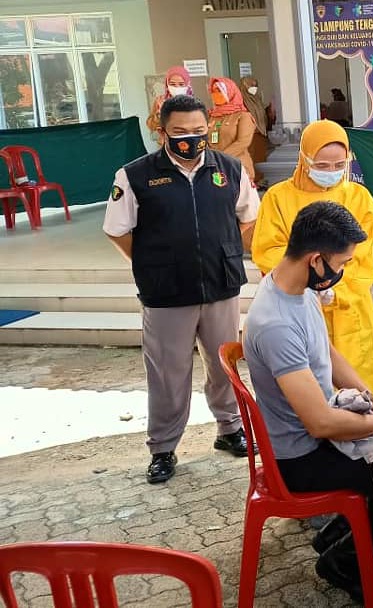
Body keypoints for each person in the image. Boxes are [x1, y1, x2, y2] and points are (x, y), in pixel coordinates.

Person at [244, 202, 373, 606]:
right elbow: (322, 424)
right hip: (301, 460)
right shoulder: (274, 324)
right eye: (341, 262)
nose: (342, 272)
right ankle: (342, 559)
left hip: (318, 437)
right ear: (315, 259)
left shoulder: (294, 288)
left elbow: (327, 353)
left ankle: (341, 536)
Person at [104, 95, 260, 484]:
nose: (189, 139)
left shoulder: (229, 170)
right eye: (179, 132)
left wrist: (217, 248)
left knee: (224, 364)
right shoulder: (135, 175)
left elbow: (246, 218)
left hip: (220, 285)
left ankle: (229, 430)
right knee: (168, 372)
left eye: (197, 131)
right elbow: (116, 230)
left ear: (208, 129)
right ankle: (163, 447)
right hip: (166, 292)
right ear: (161, 133)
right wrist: (149, 262)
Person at [252, 120, 373, 399]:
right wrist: (310, 284)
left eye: (339, 165)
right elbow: (269, 249)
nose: (332, 173)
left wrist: (336, 288)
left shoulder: (359, 198)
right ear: (304, 159)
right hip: (298, 308)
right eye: (322, 166)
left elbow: (360, 257)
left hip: (349, 309)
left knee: (357, 385)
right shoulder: (278, 198)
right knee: (309, 388)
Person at [207, 76, 257, 180]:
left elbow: (243, 142)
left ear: (230, 91)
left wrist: (220, 158)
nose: (216, 95)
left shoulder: (243, 116)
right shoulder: (211, 116)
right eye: (214, 91)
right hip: (215, 169)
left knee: (237, 195)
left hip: (237, 166)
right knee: (218, 194)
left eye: (219, 91)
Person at [239, 76, 274, 185]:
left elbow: (263, 116)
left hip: (260, 135)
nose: (254, 88)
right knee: (251, 159)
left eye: (255, 85)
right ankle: (253, 181)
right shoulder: (241, 102)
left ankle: (260, 180)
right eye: (251, 85)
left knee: (260, 158)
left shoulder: (257, 99)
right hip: (250, 136)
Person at [146, 66, 193, 139]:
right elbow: (151, 126)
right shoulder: (160, 101)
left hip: (188, 144)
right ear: (167, 84)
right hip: (167, 144)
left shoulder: (193, 103)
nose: (177, 87)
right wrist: (159, 114)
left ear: (188, 84)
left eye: (181, 84)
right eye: (173, 84)